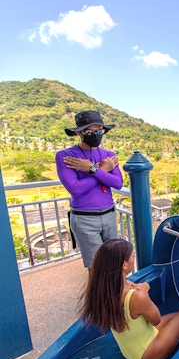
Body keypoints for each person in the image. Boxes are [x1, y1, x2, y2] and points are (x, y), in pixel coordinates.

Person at [79, 239, 179, 359]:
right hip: (148, 356)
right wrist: (146, 292)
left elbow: (132, 290)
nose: (133, 258)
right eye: (133, 256)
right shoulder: (137, 297)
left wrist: (142, 288)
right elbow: (155, 319)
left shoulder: (105, 289)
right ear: (124, 265)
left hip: (132, 350)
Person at [56, 110, 123, 269]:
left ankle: (114, 294)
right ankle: (96, 295)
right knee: (95, 266)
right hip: (84, 218)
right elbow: (75, 189)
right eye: (90, 131)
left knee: (113, 262)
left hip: (109, 214)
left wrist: (92, 170)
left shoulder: (108, 155)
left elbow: (118, 183)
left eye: (99, 131)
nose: (96, 135)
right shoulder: (66, 156)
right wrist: (101, 170)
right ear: (79, 133)